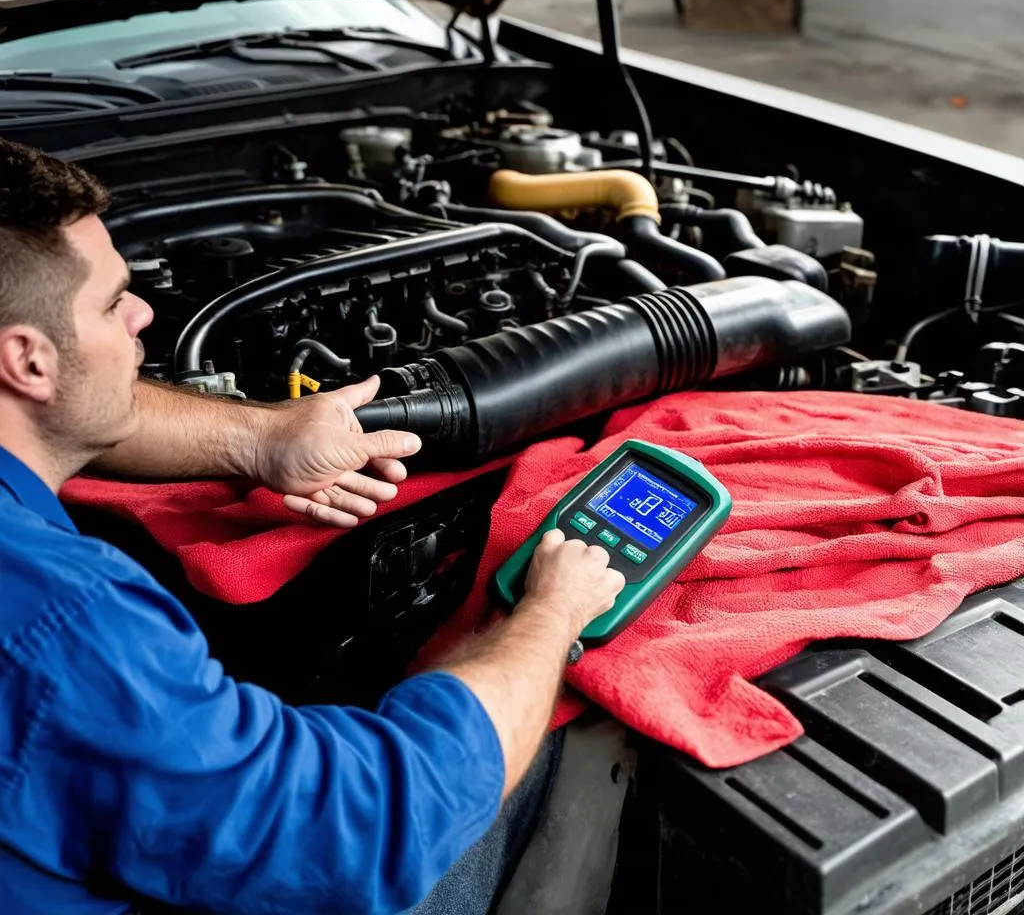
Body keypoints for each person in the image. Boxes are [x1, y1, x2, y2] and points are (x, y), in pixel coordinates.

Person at [0, 137, 627, 915]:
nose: (143, 313)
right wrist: (546, 617)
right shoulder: (65, 620)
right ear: (27, 361)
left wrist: (260, 437)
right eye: (109, 303)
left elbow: (70, 406)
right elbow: (356, 838)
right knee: (546, 742)